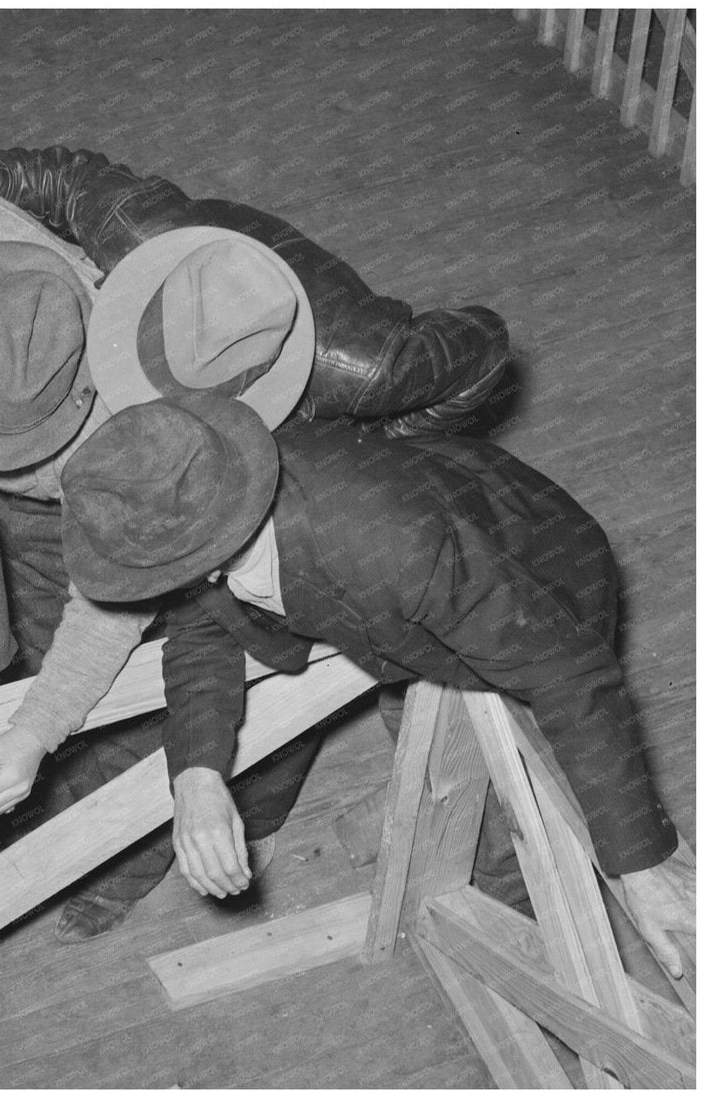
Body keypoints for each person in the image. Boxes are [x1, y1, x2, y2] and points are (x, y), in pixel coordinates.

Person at [40, 390, 694, 978]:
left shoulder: (395, 547)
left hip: (540, 575)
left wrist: (640, 861)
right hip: (419, 599)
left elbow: (569, 672)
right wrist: (197, 776)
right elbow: (202, 635)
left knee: (505, 809)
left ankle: (512, 922)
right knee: (412, 715)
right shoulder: (210, 503)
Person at [0, 200, 328, 941]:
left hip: (189, 514)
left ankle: (174, 845)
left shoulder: (129, 435)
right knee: (44, 645)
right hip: (74, 509)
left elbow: (110, 611)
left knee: (241, 684)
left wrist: (39, 726)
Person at [0, 144, 510, 437]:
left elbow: (487, 342)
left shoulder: (359, 368)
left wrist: (395, 437)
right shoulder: (135, 227)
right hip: (199, 247)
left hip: (326, 330)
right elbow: (70, 176)